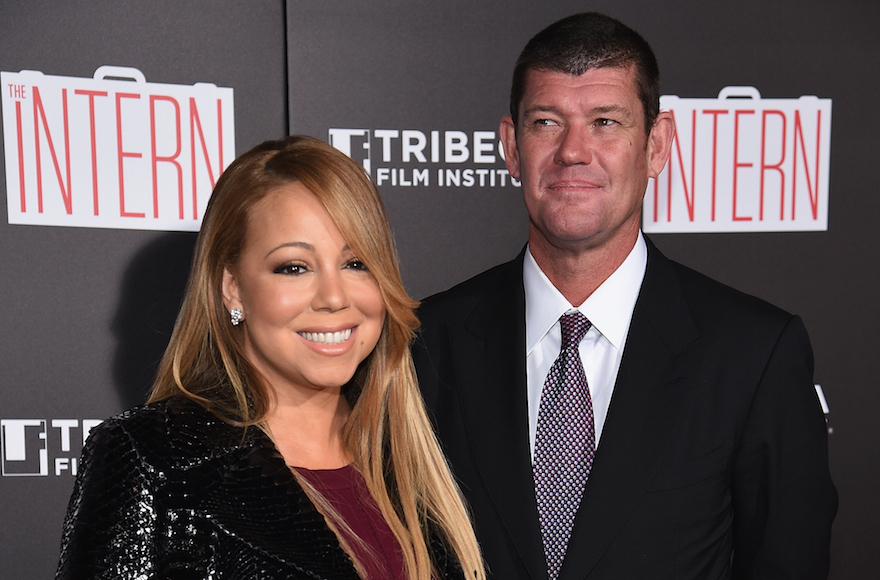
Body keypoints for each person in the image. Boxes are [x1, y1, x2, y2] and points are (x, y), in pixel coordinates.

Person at [413, 12, 837, 580]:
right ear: (512, 147)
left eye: (606, 122)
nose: (573, 152)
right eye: (546, 122)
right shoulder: (425, 343)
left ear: (656, 146)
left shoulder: (754, 353)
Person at [56, 136, 486, 580]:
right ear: (232, 287)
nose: (335, 297)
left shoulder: (419, 460)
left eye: (357, 263)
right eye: (294, 267)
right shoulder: (153, 460)